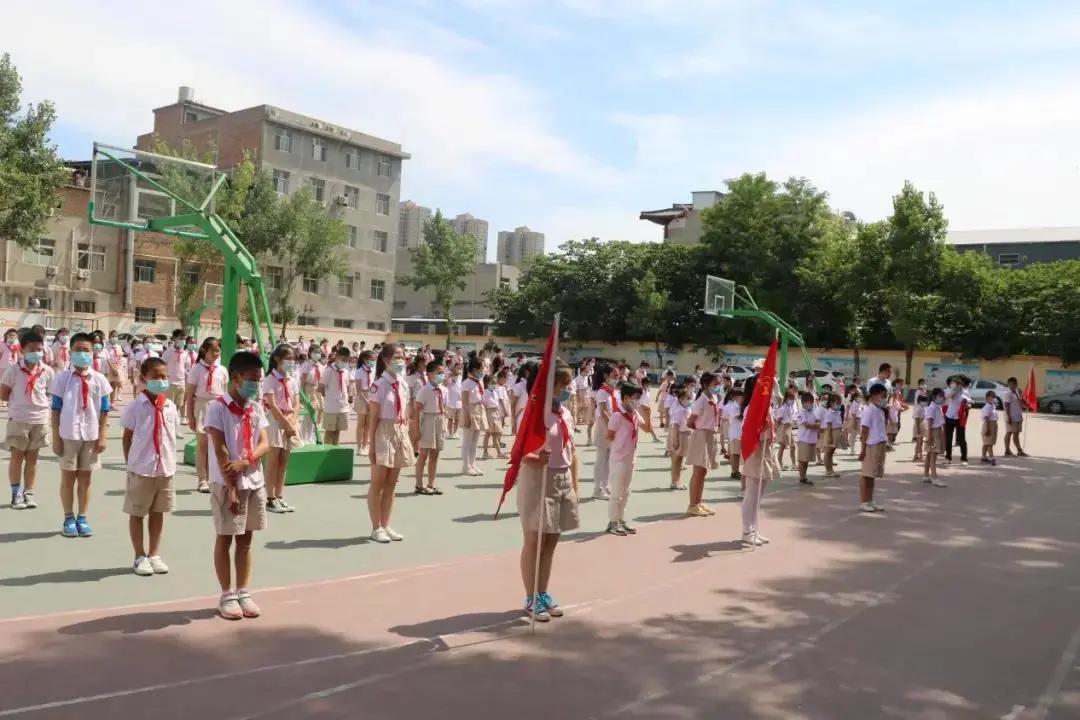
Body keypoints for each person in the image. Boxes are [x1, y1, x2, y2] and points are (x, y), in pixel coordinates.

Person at [205, 350, 271, 620]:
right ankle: (226, 594)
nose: (255, 384)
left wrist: (247, 461)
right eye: (251, 379)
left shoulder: (255, 408)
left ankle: (243, 590)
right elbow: (221, 450)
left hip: (253, 480)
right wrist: (231, 488)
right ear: (236, 377)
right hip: (227, 483)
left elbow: (265, 442)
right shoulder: (218, 407)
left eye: (258, 379)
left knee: (246, 540)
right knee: (225, 537)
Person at [517, 363, 579, 622]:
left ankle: (542, 592)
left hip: (561, 479)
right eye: (564, 385)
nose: (568, 390)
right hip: (537, 479)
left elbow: (572, 451)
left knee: (552, 541)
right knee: (535, 540)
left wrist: (575, 485)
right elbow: (520, 452)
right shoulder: (533, 413)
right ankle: (530, 596)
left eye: (569, 384)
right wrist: (535, 457)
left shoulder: (564, 413)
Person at [121, 356, 179, 576]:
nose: (161, 381)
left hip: (165, 469)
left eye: (164, 376)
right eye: (155, 377)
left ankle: (154, 553)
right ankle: (139, 555)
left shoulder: (170, 406)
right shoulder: (136, 406)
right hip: (142, 469)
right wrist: (131, 463)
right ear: (144, 377)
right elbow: (128, 436)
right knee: (137, 513)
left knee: (158, 512)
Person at [50, 332, 112, 537]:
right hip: (68, 434)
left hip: (91, 434)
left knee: (86, 479)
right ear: (71, 352)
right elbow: (56, 410)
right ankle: (68, 517)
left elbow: (105, 410)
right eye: (78, 350)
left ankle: (82, 517)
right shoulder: (62, 379)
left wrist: (103, 435)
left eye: (86, 350)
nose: (82, 354)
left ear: (93, 353)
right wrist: (56, 438)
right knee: (68, 478)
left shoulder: (100, 379)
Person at [366, 343, 413, 543]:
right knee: (378, 483)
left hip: (399, 431)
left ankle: (386, 524)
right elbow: (373, 416)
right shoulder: (379, 384)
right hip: (383, 431)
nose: (400, 361)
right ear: (385, 360)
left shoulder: (402, 382)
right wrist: (372, 444)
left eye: (402, 357)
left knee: (391, 484)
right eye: (396, 357)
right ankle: (376, 527)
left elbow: (406, 410)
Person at [1, 329, 52, 510]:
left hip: (40, 420)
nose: (36, 353)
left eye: (39, 349)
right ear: (22, 350)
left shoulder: (47, 371)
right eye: (32, 349)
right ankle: (16, 492)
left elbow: (49, 392)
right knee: (17, 457)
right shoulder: (13, 370)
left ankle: (29, 491)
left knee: (33, 458)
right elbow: (4, 393)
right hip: (19, 419)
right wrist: (19, 405)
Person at [606, 383, 651, 536]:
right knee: (617, 491)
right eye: (635, 398)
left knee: (626, 492)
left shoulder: (635, 414)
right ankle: (613, 521)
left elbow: (647, 429)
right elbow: (609, 436)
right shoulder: (618, 415)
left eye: (639, 398)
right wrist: (620, 446)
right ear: (625, 398)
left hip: (631, 457)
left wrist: (647, 415)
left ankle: (620, 519)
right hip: (619, 459)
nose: (637, 401)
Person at [184, 338, 227, 494]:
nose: (216, 354)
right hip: (201, 406)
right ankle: (202, 479)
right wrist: (190, 416)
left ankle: (216, 478)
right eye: (213, 351)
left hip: (218, 407)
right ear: (204, 351)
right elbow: (189, 394)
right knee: (202, 445)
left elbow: (226, 392)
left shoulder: (222, 370)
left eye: (218, 351)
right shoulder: (197, 370)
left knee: (217, 446)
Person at [740, 374, 777, 547]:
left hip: (766, 449)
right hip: (756, 451)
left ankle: (754, 528)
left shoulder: (766, 406)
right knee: (752, 493)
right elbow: (748, 432)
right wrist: (761, 428)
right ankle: (747, 530)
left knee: (759, 494)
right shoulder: (750, 409)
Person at [262, 345, 300, 513]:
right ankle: (269, 498)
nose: (290, 362)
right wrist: (285, 423)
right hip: (276, 423)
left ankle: (279, 496)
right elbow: (272, 405)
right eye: (287, 358)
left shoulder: (292, 380)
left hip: (290, 422)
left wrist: (292, 421)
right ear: (277, 359)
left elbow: (297, 403)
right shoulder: (270, 379)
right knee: (273, 461)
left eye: (293, 359)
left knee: (283, 462)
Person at [685, 372, 721, 516]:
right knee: (698, 471)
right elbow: (690, 421)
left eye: (718, 384)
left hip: (711, 434)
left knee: (704, 471)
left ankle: (698, 502)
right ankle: (692, 504)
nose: (717, 386)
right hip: (701, 434)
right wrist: (700, 431)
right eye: (715, 384)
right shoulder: (700, 401)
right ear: (706, 384)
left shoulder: (715, 398)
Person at [413, 359, 447, 495]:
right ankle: (419, 485)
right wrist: (416, 429)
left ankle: (431, 484)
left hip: (440, 419)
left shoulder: (444, 390)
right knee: (424, 454)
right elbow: (417, 410)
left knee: (435, 454)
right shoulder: (424, 390)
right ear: (430, 374)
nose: (442, 375)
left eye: (443, 373)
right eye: (439, 373)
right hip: (428, 419)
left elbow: (444, 407)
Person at [857, 383, 889, 513]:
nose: (885, 398)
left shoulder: (879, 410)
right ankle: (864, 501)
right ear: (875, 395)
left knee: (873, 474)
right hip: (871, 445)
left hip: (880, 444)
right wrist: (863, 449)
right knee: (866, 474)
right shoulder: (868, 410)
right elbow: (864, 431)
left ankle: (870, 500)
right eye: (883, 395)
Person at [591, 363, 621, 500]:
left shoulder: (613, 391)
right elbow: (603, 411)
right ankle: (597, 489)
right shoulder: (602, 391)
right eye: (614, 375)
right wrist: (612, 426)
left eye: (618, 376)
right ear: (606, 376)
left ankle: (605, 486)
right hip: (604, 426)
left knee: (609, 458)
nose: (617, 378)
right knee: (601, 458)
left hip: (611, 425)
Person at [460, 357, 487, 476]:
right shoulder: (467, 383)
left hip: (479, 409)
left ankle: (472, 464)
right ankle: (465, 466)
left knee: (475, 441)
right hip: (470, 410)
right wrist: (466, 417)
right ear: (475, 369)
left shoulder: (479, 381)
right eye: (481, 368)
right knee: (467, 440)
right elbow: (465, 402)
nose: (483, 370)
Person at [320, 346, 351, 446]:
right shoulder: (329, 371)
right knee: (329, 432)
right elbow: (320, 388)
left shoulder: (345, 371)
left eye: (347, 360)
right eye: (343, 360)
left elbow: (346, 386)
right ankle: (327, 452)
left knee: (338, 432)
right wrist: (330, 397)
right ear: (337, 357)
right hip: (331, 408)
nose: (345, 362)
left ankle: (335, 451)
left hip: (343, 407)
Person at [943, 376, 971, 465]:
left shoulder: (965, 393)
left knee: (961, 439)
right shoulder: (950, 390)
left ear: (963, 384)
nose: (957, 384)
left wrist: (968, 406)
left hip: (960, 418)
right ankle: (948, 457)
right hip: (949, 416)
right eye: (956, 383)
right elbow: (947, 396)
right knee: (948, 438)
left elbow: (969, 403)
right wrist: (955, 389)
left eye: (959, 383)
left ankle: (964, 458)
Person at [667, 384, 690, 490]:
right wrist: (676, 440)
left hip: (683, 434)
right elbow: (676, 425)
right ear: (681, 398)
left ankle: (676, 481)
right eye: (687, 398)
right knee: (678, 460)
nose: (689, 400)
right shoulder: (679, 409)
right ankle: (675, 482)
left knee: (679, 460)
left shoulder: (682, 407)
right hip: (680, 435)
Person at [923, 387, 947, 486]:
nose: (942, 398)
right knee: (933, 455)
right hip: (933, 433)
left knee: (929, 455)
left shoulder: (938, 406)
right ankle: (934, 477)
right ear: (934, 396)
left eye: (943, 396)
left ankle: (926, 475)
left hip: (937, 432)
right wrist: (930, 437)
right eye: (940, 396)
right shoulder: (932, 408)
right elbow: (930, 422)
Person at [165, 333, 193, 414]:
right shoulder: (168, 352)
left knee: (178, 404)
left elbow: (187, 368)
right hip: (170, 383)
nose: (183, 341)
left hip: (181, 383)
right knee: (169, 405)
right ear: (175, 340)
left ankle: (173, 419)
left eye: (184, 339)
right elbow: (162, 365)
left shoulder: (185, 354)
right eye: (181, 339)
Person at [353, 350, 375, 452]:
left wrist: (373, 400)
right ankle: (359, 446)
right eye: (371, 359)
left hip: (372, 396)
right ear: (365, 359)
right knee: (361, 424)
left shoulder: (373, 370)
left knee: (368, 425)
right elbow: (358, 389)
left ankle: (365, 445)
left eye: (374, 359)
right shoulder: (359, 371)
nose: (373, 361)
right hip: (362, 397)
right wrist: (367, 401)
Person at [1001, 377, 1029, 457]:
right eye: (1010, 384)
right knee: (1009, 433)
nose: (1012, 386)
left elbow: (1020, 402)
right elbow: (1006, 406)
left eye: (1014, 384)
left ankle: (1019, 450)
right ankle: (1007, 450)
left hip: (1018, 416)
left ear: (1016, 385)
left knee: (1016, 434)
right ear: (1008, 385)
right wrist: (1009, 417)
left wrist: (1026, 405)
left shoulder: (1016, 392)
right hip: (1011, 416)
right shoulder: (1007, 393)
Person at [723, 387, 744, 481]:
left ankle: (736, 471)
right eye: (741, 396)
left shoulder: (738, 406)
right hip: (735, 433)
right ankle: (734, 471)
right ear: (735, 397)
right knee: (735, 454)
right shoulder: (733, 406)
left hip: (739, 433)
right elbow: (739, 417)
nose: (743, 398)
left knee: (738, 454)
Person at [822, 393, 842, 478]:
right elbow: (829, 425)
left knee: (831, 452)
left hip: (836, 432)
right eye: (837, 403)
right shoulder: (829, 413)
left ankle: (831, 469)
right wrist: (830, 437)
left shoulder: (837, 412)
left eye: (839, 403)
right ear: (831, 403)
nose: (838, 405)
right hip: (831, 432)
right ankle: (828, 470)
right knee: (828, 452)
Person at [776, 388, 797, 470]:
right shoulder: (783, 408)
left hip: (790, 427)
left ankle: (794, 464)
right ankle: (780, 464)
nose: (793, 400)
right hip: (784, 428)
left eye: (793, 398)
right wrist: (778, 431)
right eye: (791, 398)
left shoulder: (790, 407)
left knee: (793, 446)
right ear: (787, 398)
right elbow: (778, 420)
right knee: (782, 446)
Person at [105, 332, 126, 405]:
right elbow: (107, 358)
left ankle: (112, 402)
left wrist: (116, 367)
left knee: (114, 385)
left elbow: (120, 357)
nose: (115, 338)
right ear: (109, 336)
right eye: (113, 336)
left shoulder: (118, 346)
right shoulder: (106, 346)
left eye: (116, 336)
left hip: (116, 367)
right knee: (105, 385)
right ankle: (104, 402)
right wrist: (112, 367)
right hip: (108, 367)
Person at [510, 364, 531, 434]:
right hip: (521, 420)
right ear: (527, 372)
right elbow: (512, 405)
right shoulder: (518, 386)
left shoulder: (531, 386)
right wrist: (514, 422)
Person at [981, 390, 999, 466]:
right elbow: (986, 418)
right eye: (992, 397)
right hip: (989, 425)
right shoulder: (987, 407)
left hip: (993, 425)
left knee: (987, 442)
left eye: (995, 397)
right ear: (987, 398)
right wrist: (988, 429)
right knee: (989, 443)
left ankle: (983, 456)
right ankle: (992, 457)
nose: (994, 398)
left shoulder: (992, 406)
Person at [445, 364, 463, 440]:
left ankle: (455, 433)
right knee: (450, 418)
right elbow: (445, 383)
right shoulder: (450, 377)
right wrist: (449, 376)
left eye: (460, 368)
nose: (459, 369)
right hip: (451, 401)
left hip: (459, 402)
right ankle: (450, 433)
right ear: (454, 368)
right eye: (457, 368)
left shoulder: (461, 378)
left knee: (458, 419)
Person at [912, 393, 929, 463]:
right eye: (923, 401)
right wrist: (918, 429)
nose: (925, 402)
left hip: (923, 426)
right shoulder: (918, 408)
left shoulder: (924, 408)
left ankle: (916, 454)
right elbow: (917, 419)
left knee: (920, 442)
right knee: (919, 442)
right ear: (919, 401)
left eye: (926, 401)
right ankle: (919, 455)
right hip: (918, 426)